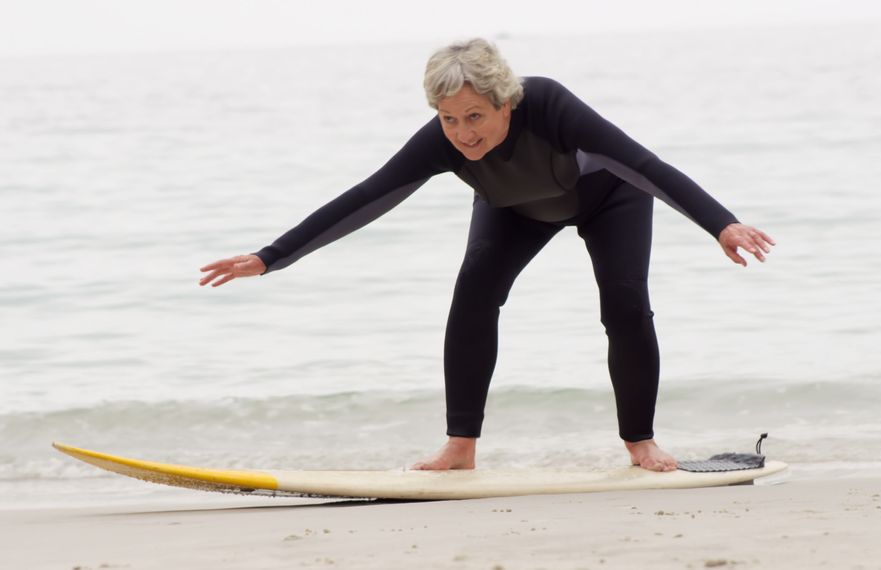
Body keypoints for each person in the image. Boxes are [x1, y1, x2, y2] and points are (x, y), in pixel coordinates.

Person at [199, 38, 774, 473]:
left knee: (624, 305)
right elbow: (367, 197)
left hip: (610, 200)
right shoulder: (441, 140)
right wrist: (270, 257)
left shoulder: (547, 104)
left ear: (506, 103)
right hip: (514, 209)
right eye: (449, 119)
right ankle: (460, 446)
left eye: (475, 116)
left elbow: (644, 165)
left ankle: (640, 441)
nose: (463, 134)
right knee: (473, 297)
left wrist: (719, 223)